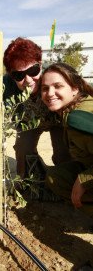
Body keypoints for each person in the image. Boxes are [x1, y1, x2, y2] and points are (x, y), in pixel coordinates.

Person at [0, 37, 71, 178]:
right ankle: (32, 181)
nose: (28, 80)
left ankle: (66, 183)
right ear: (12, 75)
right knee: (23, 149)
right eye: (19, 75)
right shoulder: (6, 84)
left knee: (64, 154)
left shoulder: (55, 74)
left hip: (58, 121)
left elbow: (81, 92)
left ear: (40, 65)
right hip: (28, 123)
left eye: (33, 70)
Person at [41, 62, 93, 219]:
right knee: (56, 177)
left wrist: (84, 180)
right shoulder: (74, 107)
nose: (50, 93)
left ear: (75, 88)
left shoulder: (79, 118)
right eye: (45, 88)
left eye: (58, 86)